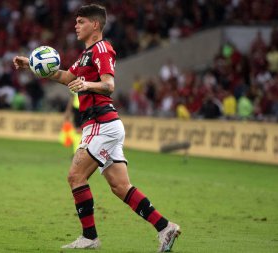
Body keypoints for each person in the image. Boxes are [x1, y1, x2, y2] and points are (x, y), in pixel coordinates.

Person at [13, 4, 181, 252]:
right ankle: (165, 228)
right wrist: (32, 64)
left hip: (101, 124)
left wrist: (87, 85)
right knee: (120, 187)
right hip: (105, 125)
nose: (76, 26)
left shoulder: (102, 49)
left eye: (80, 22)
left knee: (75, 176)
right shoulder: (84, 56)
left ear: (95, 24)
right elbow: (65, 78)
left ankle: (89, 236)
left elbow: (108, 85)